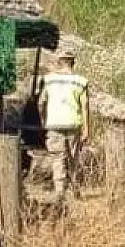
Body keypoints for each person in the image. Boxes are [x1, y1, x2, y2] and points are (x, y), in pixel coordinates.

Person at [37, 51, 90, 197]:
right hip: (74, 124)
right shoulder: (81, 81)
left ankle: (60, 191)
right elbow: (85, 106)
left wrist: (43, 120)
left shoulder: (49, 80)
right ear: (73, 63)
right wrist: (86, 129)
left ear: (59, 62)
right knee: (74, 157)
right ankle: (74, 189)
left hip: (54, 124)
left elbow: (41, 103)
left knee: (58, 158)